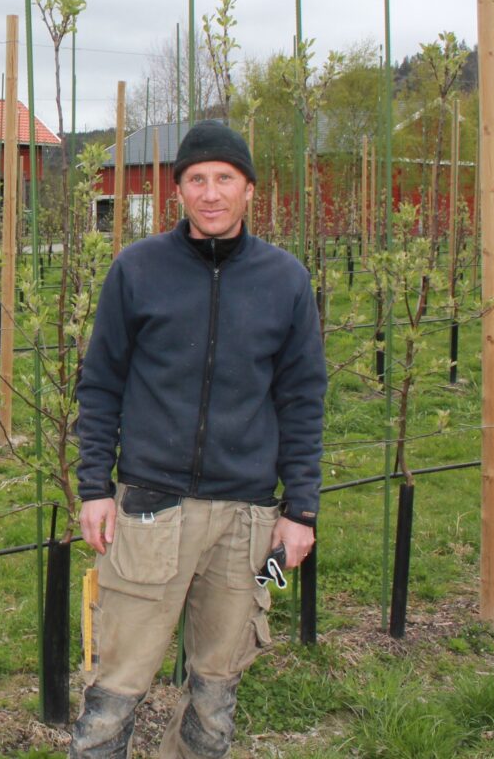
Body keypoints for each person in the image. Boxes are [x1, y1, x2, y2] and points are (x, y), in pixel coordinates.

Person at [69, 120, 326, 759]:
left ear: (248, 189)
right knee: (115, 689)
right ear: (178, 189)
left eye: (224, 179)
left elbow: (301, 401)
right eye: (196, 179)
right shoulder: (137, 270)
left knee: (217, 688)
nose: (211, 193)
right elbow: (100, 384)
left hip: (246, 519)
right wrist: (94, 488)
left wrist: (301, 511)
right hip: (151, 511)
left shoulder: (285, 281)